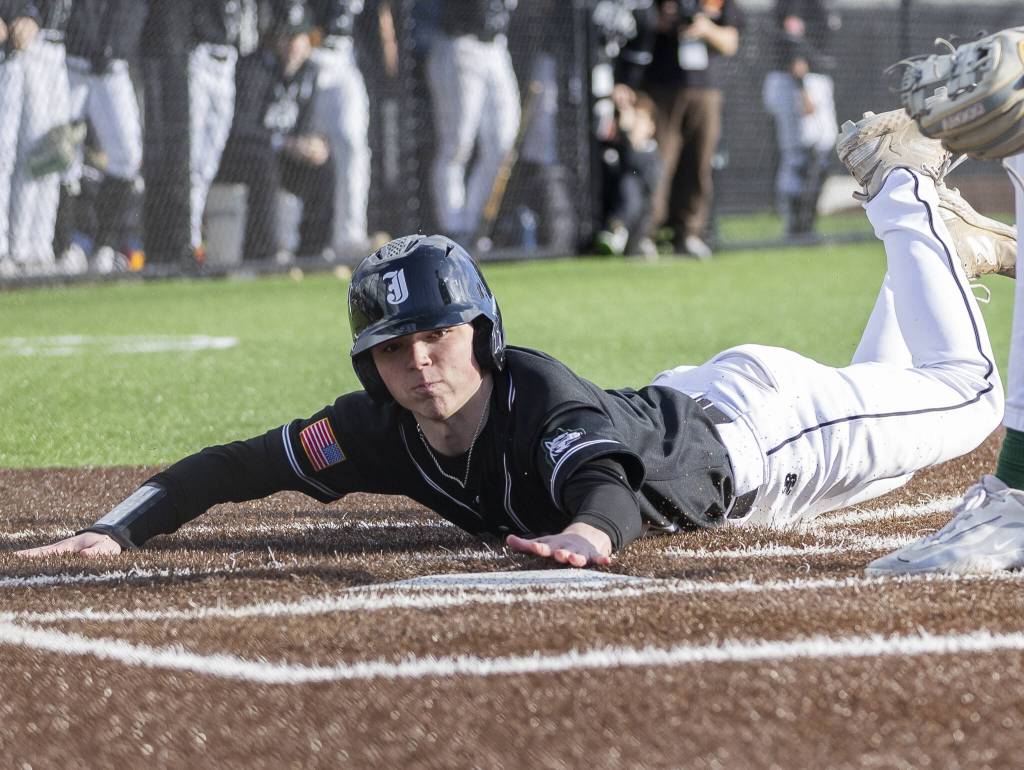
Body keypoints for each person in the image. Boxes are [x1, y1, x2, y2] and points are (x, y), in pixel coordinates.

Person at [15, 109, 1019, 566]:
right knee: (903, 407)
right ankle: (940, 236)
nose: (419, 360)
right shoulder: (380, 426)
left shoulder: (535, 393)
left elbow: (604, 490)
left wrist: (586, 539)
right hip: (725, 410)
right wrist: (123, 524)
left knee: (966, 395)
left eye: (439, 336)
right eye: (394, 347)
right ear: (368, 361)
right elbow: (239, 464)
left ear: (481, 334)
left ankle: (897, 182)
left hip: (762, 439)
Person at [215, 10, 334, 262]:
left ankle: (312, 252)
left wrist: (314, 144)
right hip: (242, 155)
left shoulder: (309, 72)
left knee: (324, 165)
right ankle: (263, 255)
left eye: (299, 39)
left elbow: (305, 124)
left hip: (283, 156)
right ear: (276, 40)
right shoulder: (254, 69)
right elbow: (240, 128)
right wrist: (284, 142)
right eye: (287, 39)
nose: (293, 46)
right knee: (264, 162)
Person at [641, 0, 743, 260]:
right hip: (664, 86)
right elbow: (643, 23)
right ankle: (647, 232)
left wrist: (704, 28)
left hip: (705, 89)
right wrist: (665, 21)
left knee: (699, 162)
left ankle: (689, 233)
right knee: (660, 162)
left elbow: (730, 41)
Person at [59, 0, 148, 273]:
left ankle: (104, 244)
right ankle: (66, 245)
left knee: (127, 155)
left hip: (112, 69)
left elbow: (134, 10)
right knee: (61, 155)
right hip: (72, 63)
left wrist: (114, 45)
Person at [426, 0, 520, 245]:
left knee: (503, 144)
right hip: (461, 43)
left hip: (497, 47)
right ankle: (453, 229)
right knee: (457, 145)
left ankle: (474, 224)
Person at [0, 0, 72, 276]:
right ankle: (16, 247)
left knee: (55, 153)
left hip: (58, 48)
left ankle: (40, 245)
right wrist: (25, 15)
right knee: (30, 154)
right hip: (30, 46)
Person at [761, 0, 838, 238]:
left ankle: (805, 221)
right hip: (797, 81)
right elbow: (792, 39)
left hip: (815, 80)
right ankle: (796, 224)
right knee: (799, 155)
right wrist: (801, 87)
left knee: (820, 151)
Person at [188, 0, 247, 263]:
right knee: (193, 155)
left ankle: (196, 236)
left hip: (228, 61)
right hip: (201, 57)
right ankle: (191, 239)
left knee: (209, 161)